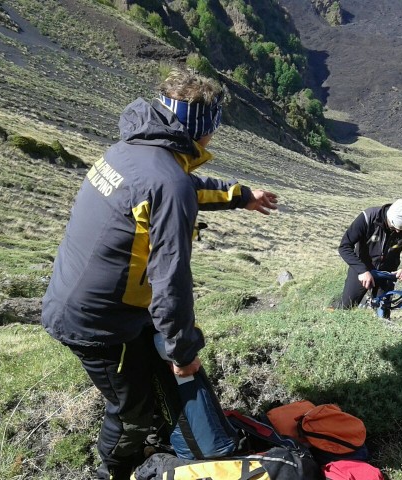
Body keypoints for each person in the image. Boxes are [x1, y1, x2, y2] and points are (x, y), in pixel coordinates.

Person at [41, 69, 278, 480]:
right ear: (200, 130)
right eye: (213, 128)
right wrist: (183, 353)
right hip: (98, 321)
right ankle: (112, 472)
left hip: (79, 294)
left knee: (141, 381)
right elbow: (171, 282)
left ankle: (151, 440)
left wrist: (241, 195)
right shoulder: (169, 181)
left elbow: (180, 184)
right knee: (130, 412)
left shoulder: (131, 149)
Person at [338, 199, 402, 318]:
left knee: (383, 316)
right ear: (389, 216)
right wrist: (362, 270)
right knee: (345, 309)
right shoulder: (368, 217)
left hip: (387, 273)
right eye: (395, 227)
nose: (398, 231)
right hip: (361, 270)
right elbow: (344, 246)